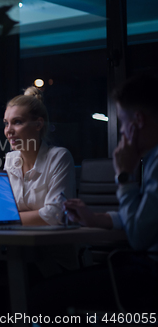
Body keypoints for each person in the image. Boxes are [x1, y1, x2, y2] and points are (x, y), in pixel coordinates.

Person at [29, 75, 158, 319]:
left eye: (122, 122)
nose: (121, 132)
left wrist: (124, 178)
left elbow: (140, 236)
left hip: (151, 274)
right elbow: (148, 216)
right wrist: (96, 218)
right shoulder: (152, 159)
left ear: (138, 121)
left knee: (41, 297)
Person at [0, 86, 76, 226]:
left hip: (52, 243)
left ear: (38, 124)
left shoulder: (59, 157)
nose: (8, 131)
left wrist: (6, 218)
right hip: (19, 241)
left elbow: (55, 214)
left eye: (17, 122)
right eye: (6, 124)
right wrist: (2, 215)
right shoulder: (10, 159)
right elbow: (2, 211)